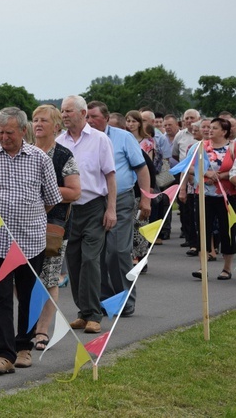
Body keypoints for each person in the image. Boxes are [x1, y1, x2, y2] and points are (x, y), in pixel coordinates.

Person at [0, 107, 62, 374]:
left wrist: (27, 218)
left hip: (32, 241)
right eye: (0, 132)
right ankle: (4, 355)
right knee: (0, 298)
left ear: (24, 131)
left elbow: (51, 200)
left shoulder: (39, 158)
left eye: (9, 132)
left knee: (27, 295)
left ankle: (24, 348)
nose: (4, 137)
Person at [57, 95, 117, 334]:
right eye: (62, 111)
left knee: (91, 260)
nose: (64, 115)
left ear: (83, 114)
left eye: (69, 111)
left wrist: (111, 209)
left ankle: (94, 314)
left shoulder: (100, 140)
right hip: (70, 209)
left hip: (94, 206)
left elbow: (111, 176)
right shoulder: (59, 142)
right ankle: (83, 312)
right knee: (73, 261)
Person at [86, 102, 150, 317]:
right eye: (86, 116)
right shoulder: (84, 139)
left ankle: (126, 299)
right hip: (93, 201)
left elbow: (141, 168)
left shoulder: (123, 137)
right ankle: (105, 300)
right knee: (98, 253)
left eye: (93, 116)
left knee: (118, 251)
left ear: (105, 117)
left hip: (122, 199)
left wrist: (146, 198)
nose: (89, 121)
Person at [30, 105, 81, 351]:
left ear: (57, 126)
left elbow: (74, 192)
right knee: (25, 279)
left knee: (49, 278)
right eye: (35, 120)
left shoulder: (63, 155)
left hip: (53, 227)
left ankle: (42, 331)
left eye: (44, 120)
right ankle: (28, 325)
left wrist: (42, 190)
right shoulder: (24, 151)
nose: (38, 124)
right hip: (22, 225)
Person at [190, 118, 236, 280]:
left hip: (227, 196)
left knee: (227, 231)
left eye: (214, 128)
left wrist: (222, 175)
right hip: (203, 194)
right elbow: (189, 166)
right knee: (203, 229)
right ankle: (203, 267)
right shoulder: (201, 146)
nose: (210, 130)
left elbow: (234, 169)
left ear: (224, 132)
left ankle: (227, 268)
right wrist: (206, 173)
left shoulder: (233, 147)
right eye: (209, 127)